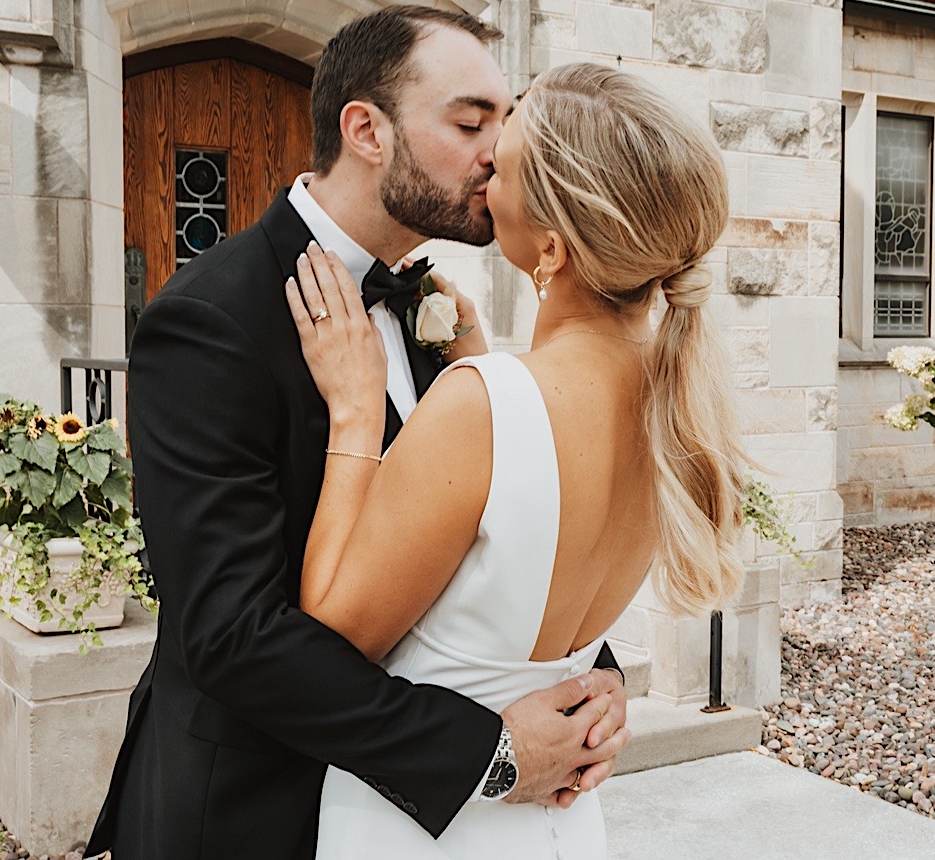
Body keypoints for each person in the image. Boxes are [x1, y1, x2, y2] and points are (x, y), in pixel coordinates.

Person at [85, 7, 631, 860]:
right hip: (249, 812)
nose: (498, 152)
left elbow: (475, 548)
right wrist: (489, 754)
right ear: (366, 129)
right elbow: (230, 635)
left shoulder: (434, 309)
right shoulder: (207, 320)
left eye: (505, 121)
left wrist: (589, 679)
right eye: (468, 121)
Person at [286, 60, 750, 860]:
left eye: (502, 162)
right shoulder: (675, 408)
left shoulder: (482, 403)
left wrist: (356, 410)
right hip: (557, 823)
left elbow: (333, 631)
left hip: (422, 826)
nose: (482, 169)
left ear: (552, 249)